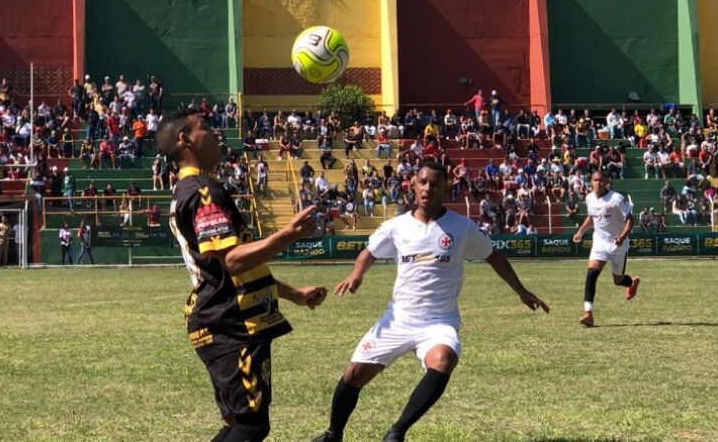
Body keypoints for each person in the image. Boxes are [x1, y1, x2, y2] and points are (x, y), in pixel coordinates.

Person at [312, 162, 549, 442]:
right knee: (354, 373)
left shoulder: (461, 227)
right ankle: (333, 434)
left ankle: (396, 432)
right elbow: (369, 252)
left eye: (435, 183)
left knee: (444, 359)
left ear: (445, 186)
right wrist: (356, 274)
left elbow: (493, 256)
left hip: (439, 321)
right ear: (413, 185)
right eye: (422, 182)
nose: (427, 188)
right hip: (398, 319)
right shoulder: (396, 226)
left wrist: (521, 291)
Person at [157, 108, 328, 442]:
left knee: (240, 422)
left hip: (222, 317)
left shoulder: (187, 190)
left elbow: (227, 269)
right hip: (231, 322)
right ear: (185, 140)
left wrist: (294, 295)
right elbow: (233, 261)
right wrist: (288, 235)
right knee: (251, 425)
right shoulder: (203, 191)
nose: (216, 134)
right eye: (205, 128)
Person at [572, 171, 641, 327]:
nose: (598, 183)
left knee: (618, 280)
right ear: (591, 182)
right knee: (591, 275)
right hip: (600, 242)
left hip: (618, 244)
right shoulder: (589, 198)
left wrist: (622, 237)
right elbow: (592, 217)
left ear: (607, 182)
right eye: (595, 180)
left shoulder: (616, 199)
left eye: (601, 180)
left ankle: (632, 283)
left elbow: (630, 220)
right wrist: (581, 231)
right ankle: (588, 314)